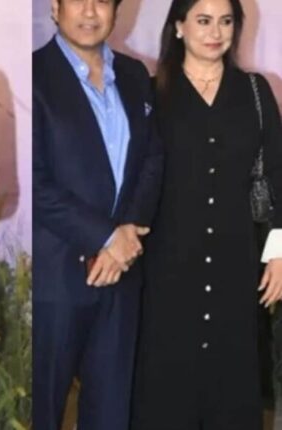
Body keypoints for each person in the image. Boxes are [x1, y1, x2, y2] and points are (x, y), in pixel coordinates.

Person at [131, 0, 282, 428]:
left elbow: (276, 172)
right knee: (166, 385)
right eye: (203, 20)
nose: (215, 32)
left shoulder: (255, 91)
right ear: (179, 26)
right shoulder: (150, 91)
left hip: (236, 263)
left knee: (231, 384)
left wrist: (278, 251)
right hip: (166, 264)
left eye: (225, 21)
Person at [32, 0, 164, 428]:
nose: (90, 11)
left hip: (121, 275)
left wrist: (125, 237)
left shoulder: (134, 74)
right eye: (77, 0)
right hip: (55, 278)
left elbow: (153, 159)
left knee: (110, 414)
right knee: (41, 411)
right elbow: (34, 180)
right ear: (55, 8)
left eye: (102, 0)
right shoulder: (32, 74)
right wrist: (105, 236)